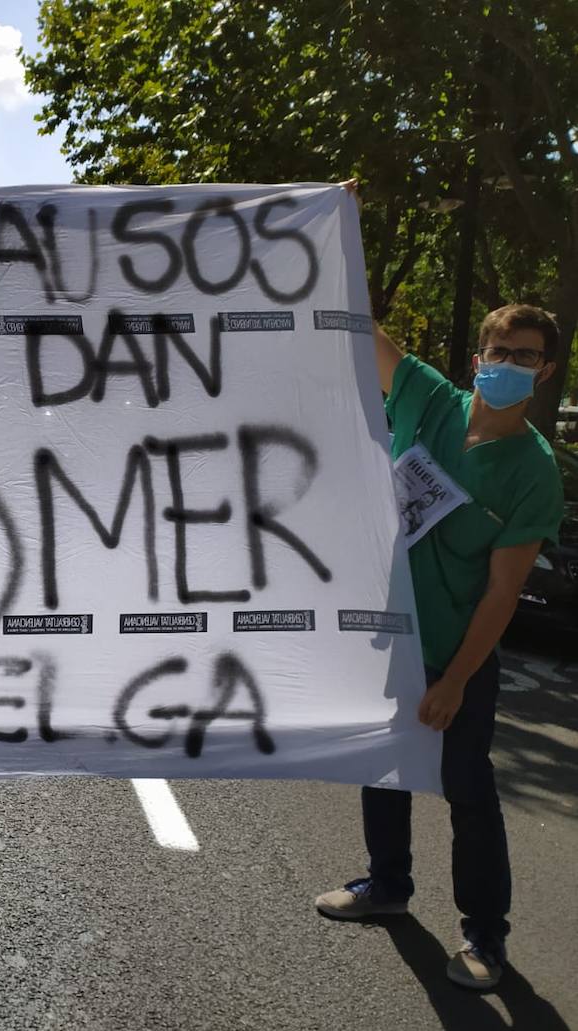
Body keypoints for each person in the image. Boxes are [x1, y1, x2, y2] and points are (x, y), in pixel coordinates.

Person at [314, 286, 565, 989]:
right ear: (477, 355)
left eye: (526, 356)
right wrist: (340, 234)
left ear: (545, 369)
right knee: (382, 764)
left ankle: (486, 937)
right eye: (499, 351)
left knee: (468, 791)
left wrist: (455, 678)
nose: (508, 363)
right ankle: (387, 884)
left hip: (456, 653)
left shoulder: (533, 471)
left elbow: (501, 591)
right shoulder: (429, 398)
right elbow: (364, 328)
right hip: (388, 638)